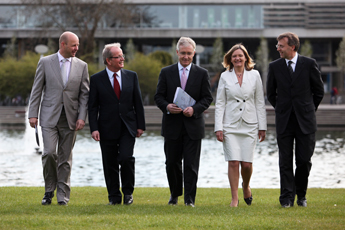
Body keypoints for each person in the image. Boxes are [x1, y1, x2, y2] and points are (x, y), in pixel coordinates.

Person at [28, 31, 90, 206]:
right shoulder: (45, 62)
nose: (77, 48)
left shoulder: (82, 66)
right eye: (73, 45)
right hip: (48, 117)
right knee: (49, 153)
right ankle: (49, 190)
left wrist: (82, 117)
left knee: (65, 159)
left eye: (77, 45)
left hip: (71, 118)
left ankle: (62, 195)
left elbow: (84, 95)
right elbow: (36, 90)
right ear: (63, 44)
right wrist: (33, 113)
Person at [267, 32, 324, 208]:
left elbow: (319, 91)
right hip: (284, 120)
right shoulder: (275, 66)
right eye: (277, 45)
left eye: (281, 46)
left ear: (292, 46)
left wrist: (307, 109)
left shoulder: (309, 64)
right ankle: (286, 198)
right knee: (285, 161)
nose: (277, 48)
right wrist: (283, 109)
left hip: (305, 121)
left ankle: (301, 196)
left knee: (304, 160)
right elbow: (270, 94)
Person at [154, 37, 213, 207]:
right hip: (172, 125)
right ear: (177, 52)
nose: (186, 57)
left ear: (193, 53)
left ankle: (189, 199)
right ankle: (174, 194)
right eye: (183, 53)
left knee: (191, 164)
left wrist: (194, 109)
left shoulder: (202, 73)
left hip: (193, 125)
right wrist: (167, 106)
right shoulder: (166, 72)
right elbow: (158, 96)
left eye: (189, 53)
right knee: (172, 163)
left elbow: (207, 98)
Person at [88, 43, 145, 205]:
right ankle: (114, 197)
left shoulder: (131, 76)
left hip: (128, 127)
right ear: (108, 60)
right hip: (106, 128)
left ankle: (128, 193)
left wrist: (140, 125)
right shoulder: (96, 79)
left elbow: (138, 102)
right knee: (109, 162)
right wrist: (94, 128)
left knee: (126, 158)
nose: (122, 59)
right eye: (118, 56)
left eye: (122, 56)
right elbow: (92, 107)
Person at [214, 44, 267, 207]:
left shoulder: (255, 75)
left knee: (246, 164)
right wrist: (219, 127)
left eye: (240, 55)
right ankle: (234, 198)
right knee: (233, 162)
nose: (237, 58)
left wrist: (262, 126)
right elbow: (220, 103)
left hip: (250, 124)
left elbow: (259, 101)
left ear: (246, 58)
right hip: (230, 123)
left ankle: (245, 185)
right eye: (234, 56)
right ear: (230, 59)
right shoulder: (224, 76)